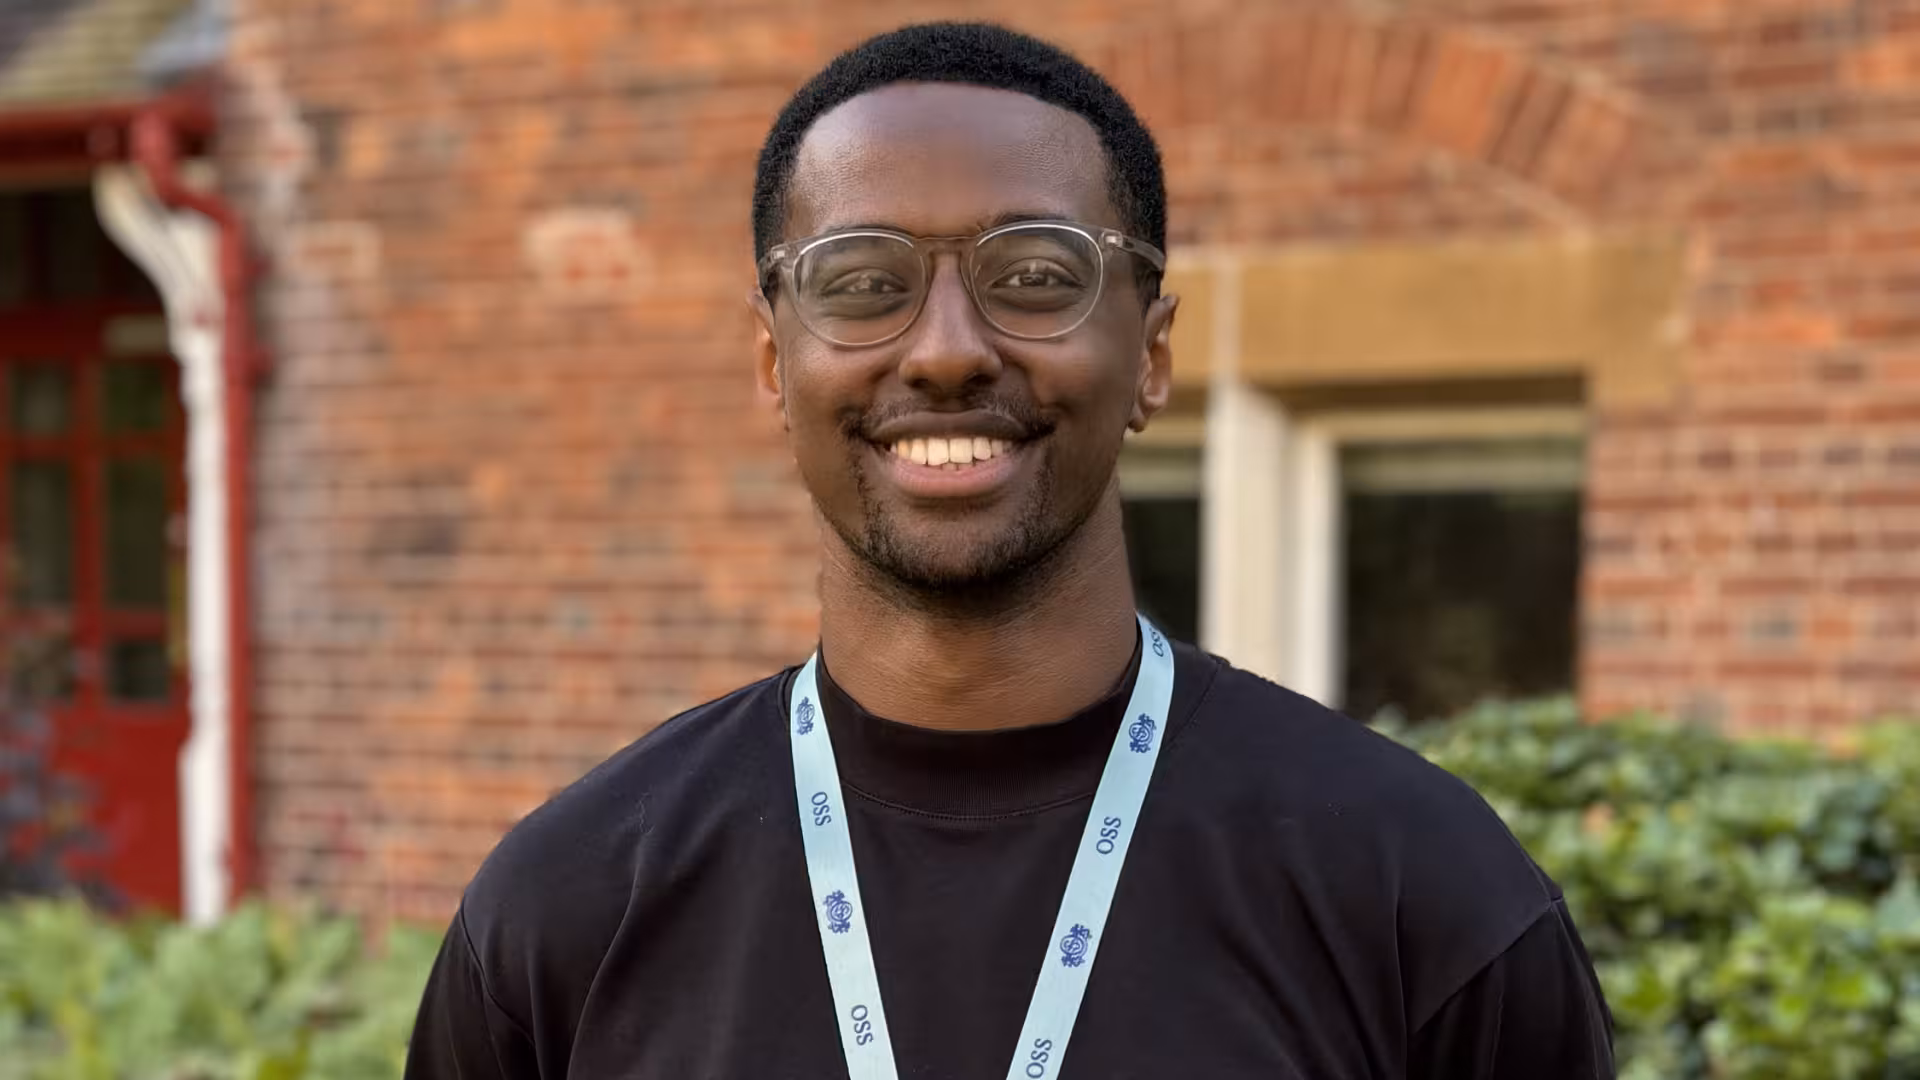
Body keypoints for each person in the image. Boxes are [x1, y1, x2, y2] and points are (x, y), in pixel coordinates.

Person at [405, 21, 1614, 1080]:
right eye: (862, 280)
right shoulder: (565, 912)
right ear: (776, 363)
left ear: (1149, 354)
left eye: (1034, 274)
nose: (943, 351)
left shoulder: (1423, 895)